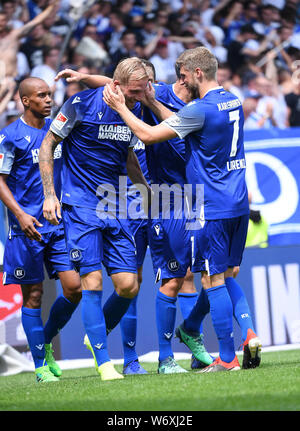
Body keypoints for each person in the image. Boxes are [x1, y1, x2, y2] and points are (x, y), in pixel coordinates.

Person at [103, 46, 262, 372]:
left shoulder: (200, 108)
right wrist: (150, 102)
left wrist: (121, 106)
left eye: (184, 76)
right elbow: (181, 122)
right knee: (228, 272)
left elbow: (148, 135)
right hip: (238, 202)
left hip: (210, 204)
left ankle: (227, 358)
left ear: (198, 74)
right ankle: (241, 332)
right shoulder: (232, 100)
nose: (181, 82)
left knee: (211, 279)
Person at [55, 62, 212, 374]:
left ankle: (178, 353)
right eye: (137, 88)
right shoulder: (122, 100)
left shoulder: (157, 100)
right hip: (124, 201)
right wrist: (84, 77)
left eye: (148, 85)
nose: (142, 92)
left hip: (160, 200)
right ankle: (130, 360)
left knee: (182, 276)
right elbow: (108, 84)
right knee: (134, 280)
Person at [39, 57, 151, 381]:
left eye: (140, 93)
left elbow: (129, 156)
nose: (136, 98)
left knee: (129, 286)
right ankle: (105, 364)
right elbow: (48, 145)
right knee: (92, 282)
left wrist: (145, 191)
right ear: (115, 86)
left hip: (115, 205)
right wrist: (50, 194)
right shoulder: (79, 105)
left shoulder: (135, 108)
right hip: (81, 205)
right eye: (131, 92)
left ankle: (96, 330)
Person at [0, 77, 82, 383]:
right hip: (27, 228)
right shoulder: (9, 136)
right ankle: (40, 367)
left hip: (58, 225)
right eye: (42, 95)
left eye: (50, 94)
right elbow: (0, 179)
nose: (48, 100)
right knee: (33, 297)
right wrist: (20, 215)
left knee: (74, 289)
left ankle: (45, 340)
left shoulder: (57, 130)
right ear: (25, 100)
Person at [0, 0, 60, 78]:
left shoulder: (13, 35)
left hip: (9, 79)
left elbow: (36, 21)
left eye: (3, 20)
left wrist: (51, 7)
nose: (0, 23)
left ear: (7, 22)